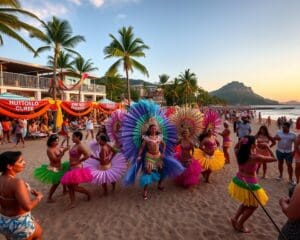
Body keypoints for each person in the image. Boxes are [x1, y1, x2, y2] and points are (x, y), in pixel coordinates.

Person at [229, 136, 276, 233]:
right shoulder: (254, 157)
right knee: (254, 206)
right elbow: (274, 158)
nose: (257, 143)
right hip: (250, 183)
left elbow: (235, 146)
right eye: (256, 142)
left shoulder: (238, 152)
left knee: (247, 202)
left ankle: (235, 218)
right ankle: (240, 224)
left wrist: (242, 143)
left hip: (239, 180)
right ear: (252, 144)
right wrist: (267, 147)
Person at [0, 151, 43, 239]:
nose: (24, 163)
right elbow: (27, 207)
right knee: (38, 233)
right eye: (20, 161)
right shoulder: (17, 182)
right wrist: (39, 197)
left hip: (3, 221)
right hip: (18, 223)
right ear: (9, 166)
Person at [33, 134, 69, 202]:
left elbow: (61, 149)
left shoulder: (57, 147)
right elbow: (55, 160)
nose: (57, 142)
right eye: (55, 141)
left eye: (57, 141)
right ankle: (49, 198)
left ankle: (64, 190)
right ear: (51, 142)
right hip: (54, 168)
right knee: (56, 184)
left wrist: (64, 146)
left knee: (64, 178)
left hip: (60, 166)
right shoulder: (49, 150)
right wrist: (63, 152)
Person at [61, 131, 92, 209]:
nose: (72, 138)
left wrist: (78, 161)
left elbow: (87, 155)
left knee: (74, 187)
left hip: (76, 167)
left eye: (74, 137)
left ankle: (87, 193)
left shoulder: (81, 146)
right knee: (69, 186)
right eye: (72, 137)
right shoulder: (74, 145)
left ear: (78, 137)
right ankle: (72, 202)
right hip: (71, 167)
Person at [137, 123, 166, 199]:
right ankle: (145, 191)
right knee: (148, 172)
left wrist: (163, 153)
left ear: (157, 130)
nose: (154, 129)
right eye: (152, 128)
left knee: (161, 171)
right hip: (149, 157)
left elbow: (164, 145)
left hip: (158, 156)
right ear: (149, 130)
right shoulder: (146, 138)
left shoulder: (159, 137)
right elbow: (142, 148)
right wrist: (139, 155)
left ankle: (159, 185)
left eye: (155, 128)